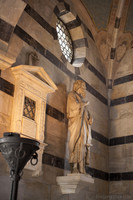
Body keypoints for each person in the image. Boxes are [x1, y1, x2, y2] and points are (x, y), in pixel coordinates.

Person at [67, 80, 93, 174]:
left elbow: (86, 112)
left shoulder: (81, 99)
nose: (84, 89)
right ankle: (74, 167)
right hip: (76, 123)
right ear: (77, 87)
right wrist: (83, 104)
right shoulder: (71, 95)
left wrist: (90, 117)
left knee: (83, 144)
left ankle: (82, 168)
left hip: (84, 125)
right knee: (76, 143)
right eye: (83, 87)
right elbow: (72, 107)